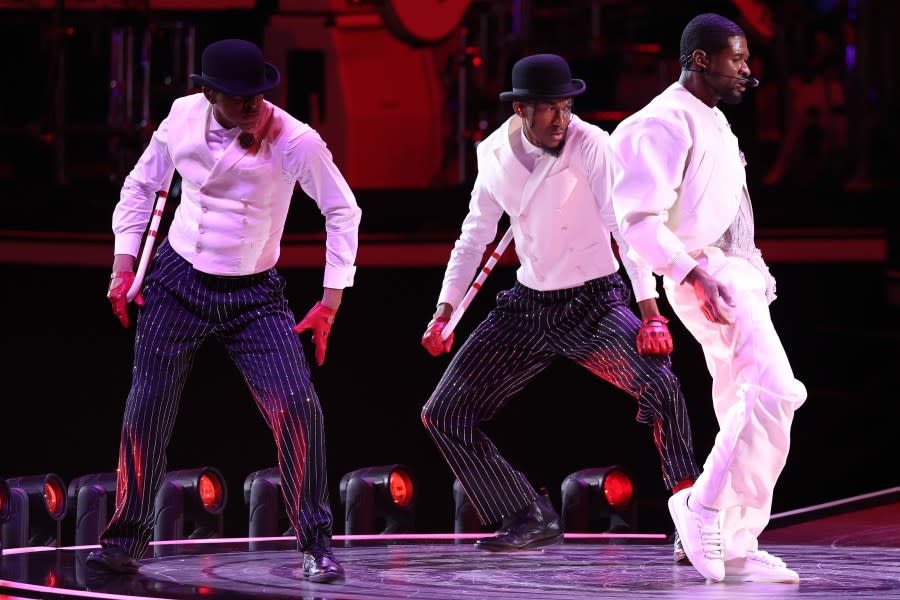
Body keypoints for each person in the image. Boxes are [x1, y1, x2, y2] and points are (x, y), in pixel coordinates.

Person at [86, 39, 361, 585]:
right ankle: (124, 540)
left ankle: (316, 542)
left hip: (253, 295)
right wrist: (123, 265)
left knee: (299, 407)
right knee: (146, 410)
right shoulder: (183, 117)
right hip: (177, 278)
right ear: (208, 92)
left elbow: (342, 210)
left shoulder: (295, 140)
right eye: (239, 98)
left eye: (258, 95)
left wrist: (330, 301)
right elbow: (141, 187)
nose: (253, 105)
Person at [420, 53, 701, 555]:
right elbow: (474, 236)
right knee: (443, 412)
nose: (561, 119)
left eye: (566, 106)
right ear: (521, 110)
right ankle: (526, 513)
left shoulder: (592, 144)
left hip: (594, 302)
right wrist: (445, 310)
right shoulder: (492, 155)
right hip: (529, 308)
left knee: (662, 386)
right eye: (549, 108)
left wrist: (650, 311)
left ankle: (693, 521)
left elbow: (624, 226)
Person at [610, 13, 807, 584]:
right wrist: (694, 274)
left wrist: (753, 271)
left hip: (734, 272)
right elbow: (638, 221)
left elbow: (731, 210)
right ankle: (701, 507)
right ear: (700, 59)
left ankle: (739, 540)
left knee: (742, 403)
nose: (748, 72)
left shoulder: (713, 121)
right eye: (737, 60)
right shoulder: (662, 122)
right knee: (776, 391)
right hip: (705, 274)